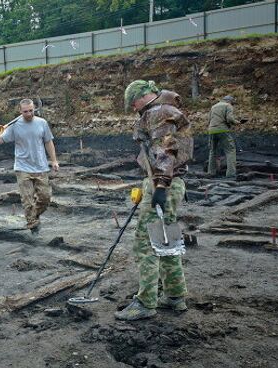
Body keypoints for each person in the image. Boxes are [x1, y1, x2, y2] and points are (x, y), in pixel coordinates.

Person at [116, 80, 193, 321]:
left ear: (141, 97)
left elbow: (165, 149)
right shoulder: (167, 109)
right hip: (173, 182)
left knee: (145, 242)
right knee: (165, 238)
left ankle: (146, 303)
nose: (132, 108)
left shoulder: (157, 112)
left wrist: (159, 185)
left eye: (132, 103)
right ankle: (175, 296)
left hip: (165, 182)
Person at [0, 99, 59, 235]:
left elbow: (48, 142)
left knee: (45, 198)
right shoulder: (14, 126)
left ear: (34, 109)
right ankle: (33, 226)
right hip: (22, 167)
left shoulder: (42, 123)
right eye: (25, 111)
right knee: (27, 200)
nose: (29, 113)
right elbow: (0, 141)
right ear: (20, 111)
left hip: (40, 166)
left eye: (31, 110)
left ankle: (34, 216)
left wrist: (54, 160)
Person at [207, 95, 238, 179]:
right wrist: (237, 122)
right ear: (230, 101)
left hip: (211, 130)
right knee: (230, 150)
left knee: (212, 151)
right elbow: (230, 119)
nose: (233, 104)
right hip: (222, 130)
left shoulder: (213, 106)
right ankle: (231, 174)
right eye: (233, 103)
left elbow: (209, 119)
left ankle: (211, 172)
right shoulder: (228, 106)